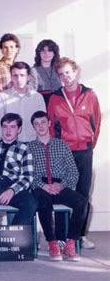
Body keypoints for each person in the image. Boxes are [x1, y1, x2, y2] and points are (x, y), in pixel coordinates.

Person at [48, 57, 101, 249]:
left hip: (85, 151)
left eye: (68, 72)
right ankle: (62, 236)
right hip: (65, 152)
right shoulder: (55, 98)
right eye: (61, 74)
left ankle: (79, 235)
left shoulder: (90, 95)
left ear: (76, 71)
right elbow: (52, 127)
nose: (65, 77)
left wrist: (89, 143)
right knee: (64, 192)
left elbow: (96, 122)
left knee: (83, 194)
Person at [28, 111, 86, 261]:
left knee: (82, 202)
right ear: (33, 127)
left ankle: (70, 242)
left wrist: (61, 185)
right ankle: (52, 242)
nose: (40, 126)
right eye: (36, 123)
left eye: (43, 122)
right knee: (42, 201)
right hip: (40, 186)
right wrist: (42, 185)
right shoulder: (28, 148)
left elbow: (73, 171)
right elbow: (26, 173)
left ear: (49, 123)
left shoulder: (62, 145)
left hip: (59, 183)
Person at [0, 113, 37, 227]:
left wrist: (12, 190)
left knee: (31, 203)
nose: (8, 130)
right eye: (5, 126)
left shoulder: (24, 149)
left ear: (19, 129)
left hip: (10, 184)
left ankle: (14, 237)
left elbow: (27, 177)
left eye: (13, 127)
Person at [0, 62, 45, 142]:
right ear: (11, 77)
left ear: (29, 77)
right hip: (10, 143)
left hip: (33, 143)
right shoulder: (2, 97)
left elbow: (42, 123)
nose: (18, 79)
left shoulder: (37, 97)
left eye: (22, 75)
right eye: (15, 76)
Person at [31, 39, 61, 105]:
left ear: (54, 53)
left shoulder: (59, 69)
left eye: (50, 50)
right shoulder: (33, 70)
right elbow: (32, 93)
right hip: (41, 104)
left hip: (59, 104)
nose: (46, 53)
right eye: (43, 50)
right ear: (39, 53)